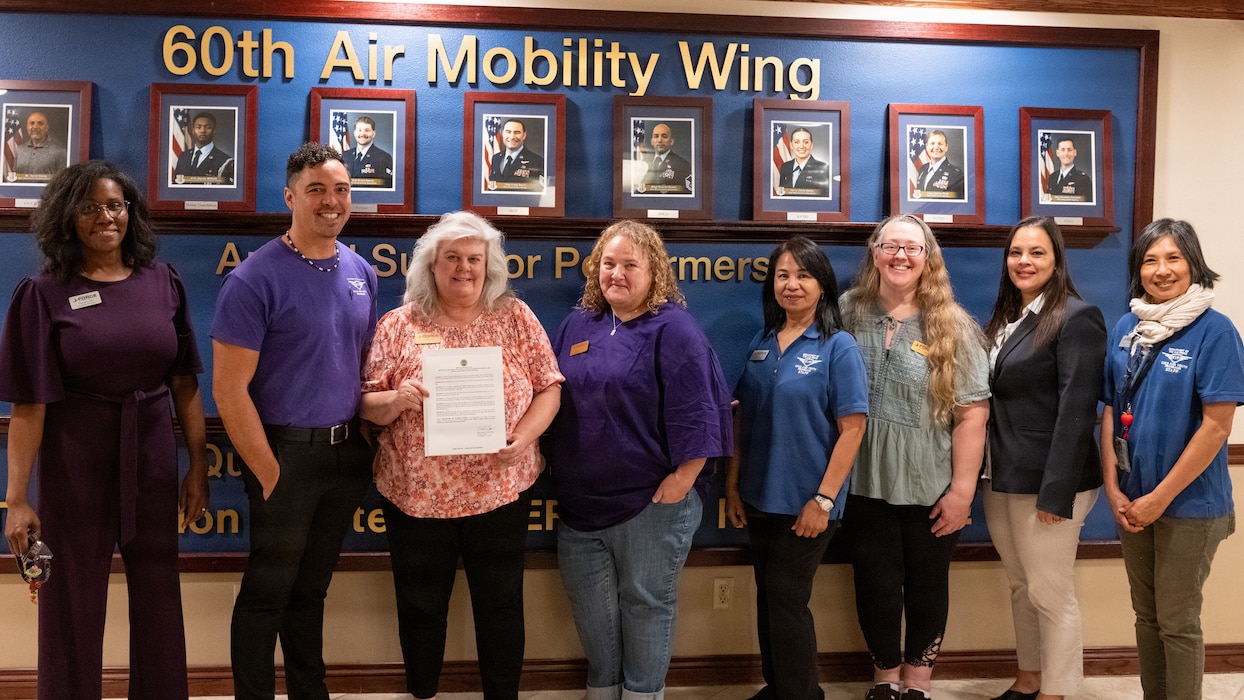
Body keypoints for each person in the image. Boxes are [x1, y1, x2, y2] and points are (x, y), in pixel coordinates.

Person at [0, 160, 208, 700]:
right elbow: (29, 406)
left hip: (153, 456)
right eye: (89, 207)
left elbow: (185, 383)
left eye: (115, 205)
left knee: (159, 594)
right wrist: (17, 499)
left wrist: (199, 469)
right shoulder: (42, 294)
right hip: (76, 460)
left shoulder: (163, 282)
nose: (105, 217)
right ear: (67, 219)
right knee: (70, 599)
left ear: (130, 212)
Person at [360, 211, 562, 700]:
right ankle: (423, 691)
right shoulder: (397, 324)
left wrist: (523, 439)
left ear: (489, 266)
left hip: (500, 491)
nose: (464, 268)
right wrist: (396, 399)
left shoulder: (515, 317)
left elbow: (549, 387)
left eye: (475, 258)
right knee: (421, 605)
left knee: (500, 605)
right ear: (430, 265)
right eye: (451, 257)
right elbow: (366, 404)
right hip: (416, 498)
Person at [211, 143, 377, 700]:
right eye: (316, 191)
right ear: (290, 198)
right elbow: (229, 391)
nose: (331, 202)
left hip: (344, 454)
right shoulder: (254, 279)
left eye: (341, 190)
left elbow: (356, 366)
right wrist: (268, 471)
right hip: (283, 456)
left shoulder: (360, 272)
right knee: (267, 594)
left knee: (312, 592)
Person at [548, 220, 732, 700]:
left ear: (655, 272)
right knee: (591, 609)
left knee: (646, 603)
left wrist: (685, 477)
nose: (618, 274)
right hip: (579, 503)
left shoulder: (674, 328)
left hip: (651, 501)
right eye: (609, 263)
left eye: (631, 264)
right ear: (595, 269)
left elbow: (700, 409)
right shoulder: (577, 324)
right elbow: (548, 395)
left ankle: (643, 694)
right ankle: (603, 692)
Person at [840, 214, 990, 700]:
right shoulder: (847, 312)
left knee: (927, 586)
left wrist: (962, 492)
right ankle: (885, 677)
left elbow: (972, 414)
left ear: (928, 259)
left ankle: (918, 683)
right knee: (874, 585)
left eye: (912, 248)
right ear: (875, 252)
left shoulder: (954, 325)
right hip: (861, 480)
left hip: (931, 484)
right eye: (890, 246)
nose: (900, 256)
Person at [1100, 218, 1244, 700]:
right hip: (1132, 501)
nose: (1161, 270)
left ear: (1193, 264)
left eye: (1173, 258)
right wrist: (1114, 488)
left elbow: (1217, 427)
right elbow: (1110, 408)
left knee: (1178, 622)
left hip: (1189, 506)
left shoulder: (1216, 331)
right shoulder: (1128, 326)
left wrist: (1159, 499)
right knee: (1147, 616)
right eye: (1150, 260)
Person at [726, 235, 868, 700]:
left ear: (822, 285)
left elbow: (853, 429)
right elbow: (741, 418)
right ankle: (781, 686)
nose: (792, 285)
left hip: (807, 502)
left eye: (803, 275)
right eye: (783, 276)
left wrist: (824, 499)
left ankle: (803, 694)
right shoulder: (762, 342)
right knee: (770, 598)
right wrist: (732, 487)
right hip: (758, 496)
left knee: (787, 600)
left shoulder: (838, 346)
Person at [980, 217, 1106, 700]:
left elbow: (1077, 411)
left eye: (1037, 253)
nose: (1024, 262)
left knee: (1051, 594)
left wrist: (1057, 493)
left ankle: (1059, 689)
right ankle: (1030, 677)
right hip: (1004, 475)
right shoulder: (1009, 318)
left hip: (1052, 483)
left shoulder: (1077, 316)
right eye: (1016, 253)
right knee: (1021, 585)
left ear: (1056, 261)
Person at [173, 111, 235, 185]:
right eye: (198, 127)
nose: (202, 131)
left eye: (208, 127)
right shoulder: (183, 156)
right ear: (193, 130)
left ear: (214, 130)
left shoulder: (225, 161)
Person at [488, 118, 544, 190]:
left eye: (517, 132)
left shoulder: (537, 161)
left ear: (524, 135)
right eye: (508, 132)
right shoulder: (496, 158)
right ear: (502, 133)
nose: (512, 137)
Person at [11, 110, 68, 178]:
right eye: (32, 123)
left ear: (46, 127)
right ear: (27, 127)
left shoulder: (59, 152)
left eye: (40, 123)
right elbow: (15, 177)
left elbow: (63, 180)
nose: (35, 127)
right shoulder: (19, 150)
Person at [342, 115, 394, 188]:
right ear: (354, 133)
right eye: (359, 130)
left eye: (367, 130)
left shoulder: (384, 158)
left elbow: (386, 187)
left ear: (373, 133)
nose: (362, 134)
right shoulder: (345, 156)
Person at [639, 123, 692, 194]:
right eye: (656, 136)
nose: (660, 140)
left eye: (664, 136)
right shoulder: (644, 163)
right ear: (652, 141)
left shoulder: (683, 165)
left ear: (671, 141)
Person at [777, 127, 830, 197]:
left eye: (806, 142)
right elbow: (782, 194)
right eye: (796, 142)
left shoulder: (823, 169)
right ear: (791, 145)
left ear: (811, 145)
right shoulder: (785, 167)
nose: (801, 146)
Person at [913, 130, 963, 200]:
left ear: (946, 147)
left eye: (940, 144)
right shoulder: (922, 169)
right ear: (927, 147)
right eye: (932, 143)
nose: (936, 147)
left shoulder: (955, 173)